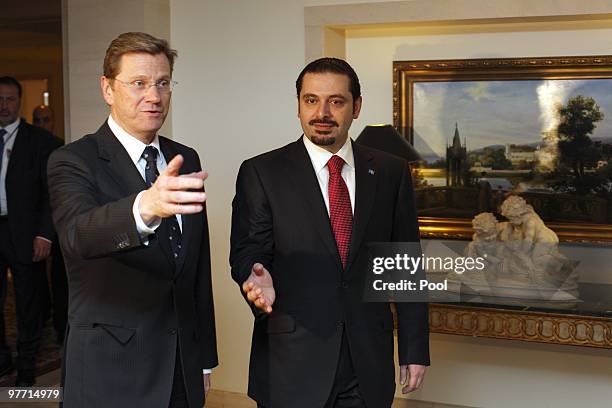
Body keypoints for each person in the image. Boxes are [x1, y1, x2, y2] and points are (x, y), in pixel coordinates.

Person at [230, 58, 429, 408]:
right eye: (310, 100)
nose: (322, 112)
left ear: (357, 107)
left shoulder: (390, 171)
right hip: (291, 360)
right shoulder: (262, 172)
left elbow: (404, 265)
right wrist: (254, 276)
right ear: (298, 105)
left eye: (336, 101)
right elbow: (249, 250)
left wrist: (414, 348)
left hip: (366, 360)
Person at [47, 32, 217, 407]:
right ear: (107, 89)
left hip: (180, 367)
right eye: (139, 83)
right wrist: (145, 207)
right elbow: (77, 235)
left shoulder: (185, 157)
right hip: (111, 368)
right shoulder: (74, 160)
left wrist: (204, 361)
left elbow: (194, 267)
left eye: (162, 83)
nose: (154, 96)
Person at [0, 76, 60, 386]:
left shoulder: (40, 141)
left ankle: (26, 365)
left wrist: (44, 234)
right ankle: (1, 358)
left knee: (27, 302)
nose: (3, 105)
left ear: (19, 102)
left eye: (9, 99)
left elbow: (52, 193)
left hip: (24, 232)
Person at [32, 104, 68, 345]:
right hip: (31, 224)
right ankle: (42, 316)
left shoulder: (60, 147)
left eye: (46, 119)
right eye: (38, 120)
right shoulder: (27, 145)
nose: (42, 124)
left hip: (58, 223)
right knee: (34, 280)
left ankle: (60, 326)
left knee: (60, 278)